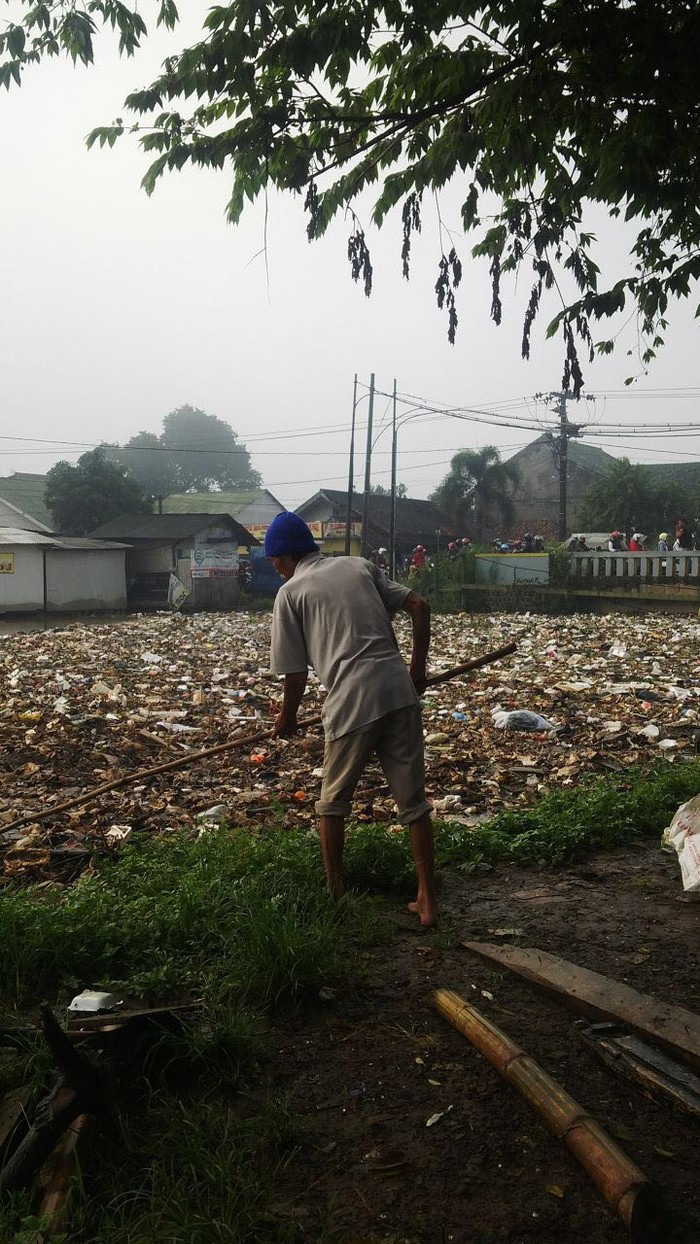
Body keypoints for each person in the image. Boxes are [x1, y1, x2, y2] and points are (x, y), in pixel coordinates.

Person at [264, 511, 437, 927]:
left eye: (274, 561)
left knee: (332, 803)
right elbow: (419, 605)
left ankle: (337, 899)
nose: (275, 569)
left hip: (351, 699)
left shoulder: (290, 593)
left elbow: (296, 675)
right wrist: (416, 672)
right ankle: (428, 902)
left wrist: (287, 719)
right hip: (398, 690)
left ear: (284, 557)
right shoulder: (359, 566)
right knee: (413, 803)